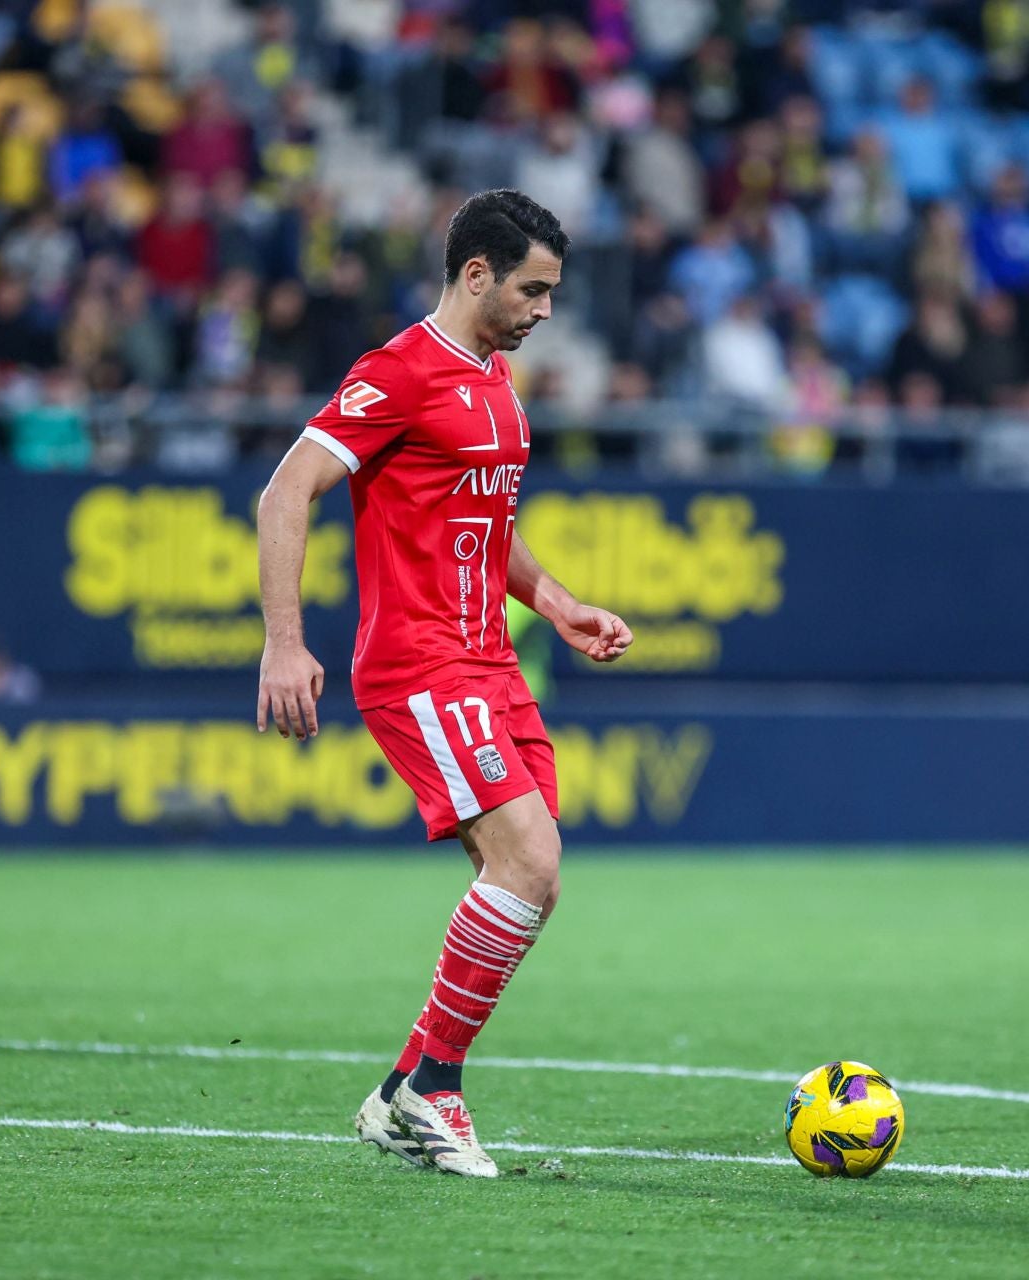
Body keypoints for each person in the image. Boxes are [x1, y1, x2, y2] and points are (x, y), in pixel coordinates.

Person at [255, 190, 632, 1178]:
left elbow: (487, 524)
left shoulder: (498, 380)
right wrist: (284, 643)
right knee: (531, 863)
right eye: (533, 289)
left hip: (492, 662)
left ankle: (399, 1091)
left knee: (527, 881)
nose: (545, 310)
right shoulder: (399, 372)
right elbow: (285, 488)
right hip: (419, 664)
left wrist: (555, 601)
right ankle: (436, 1088)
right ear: (477, 275)